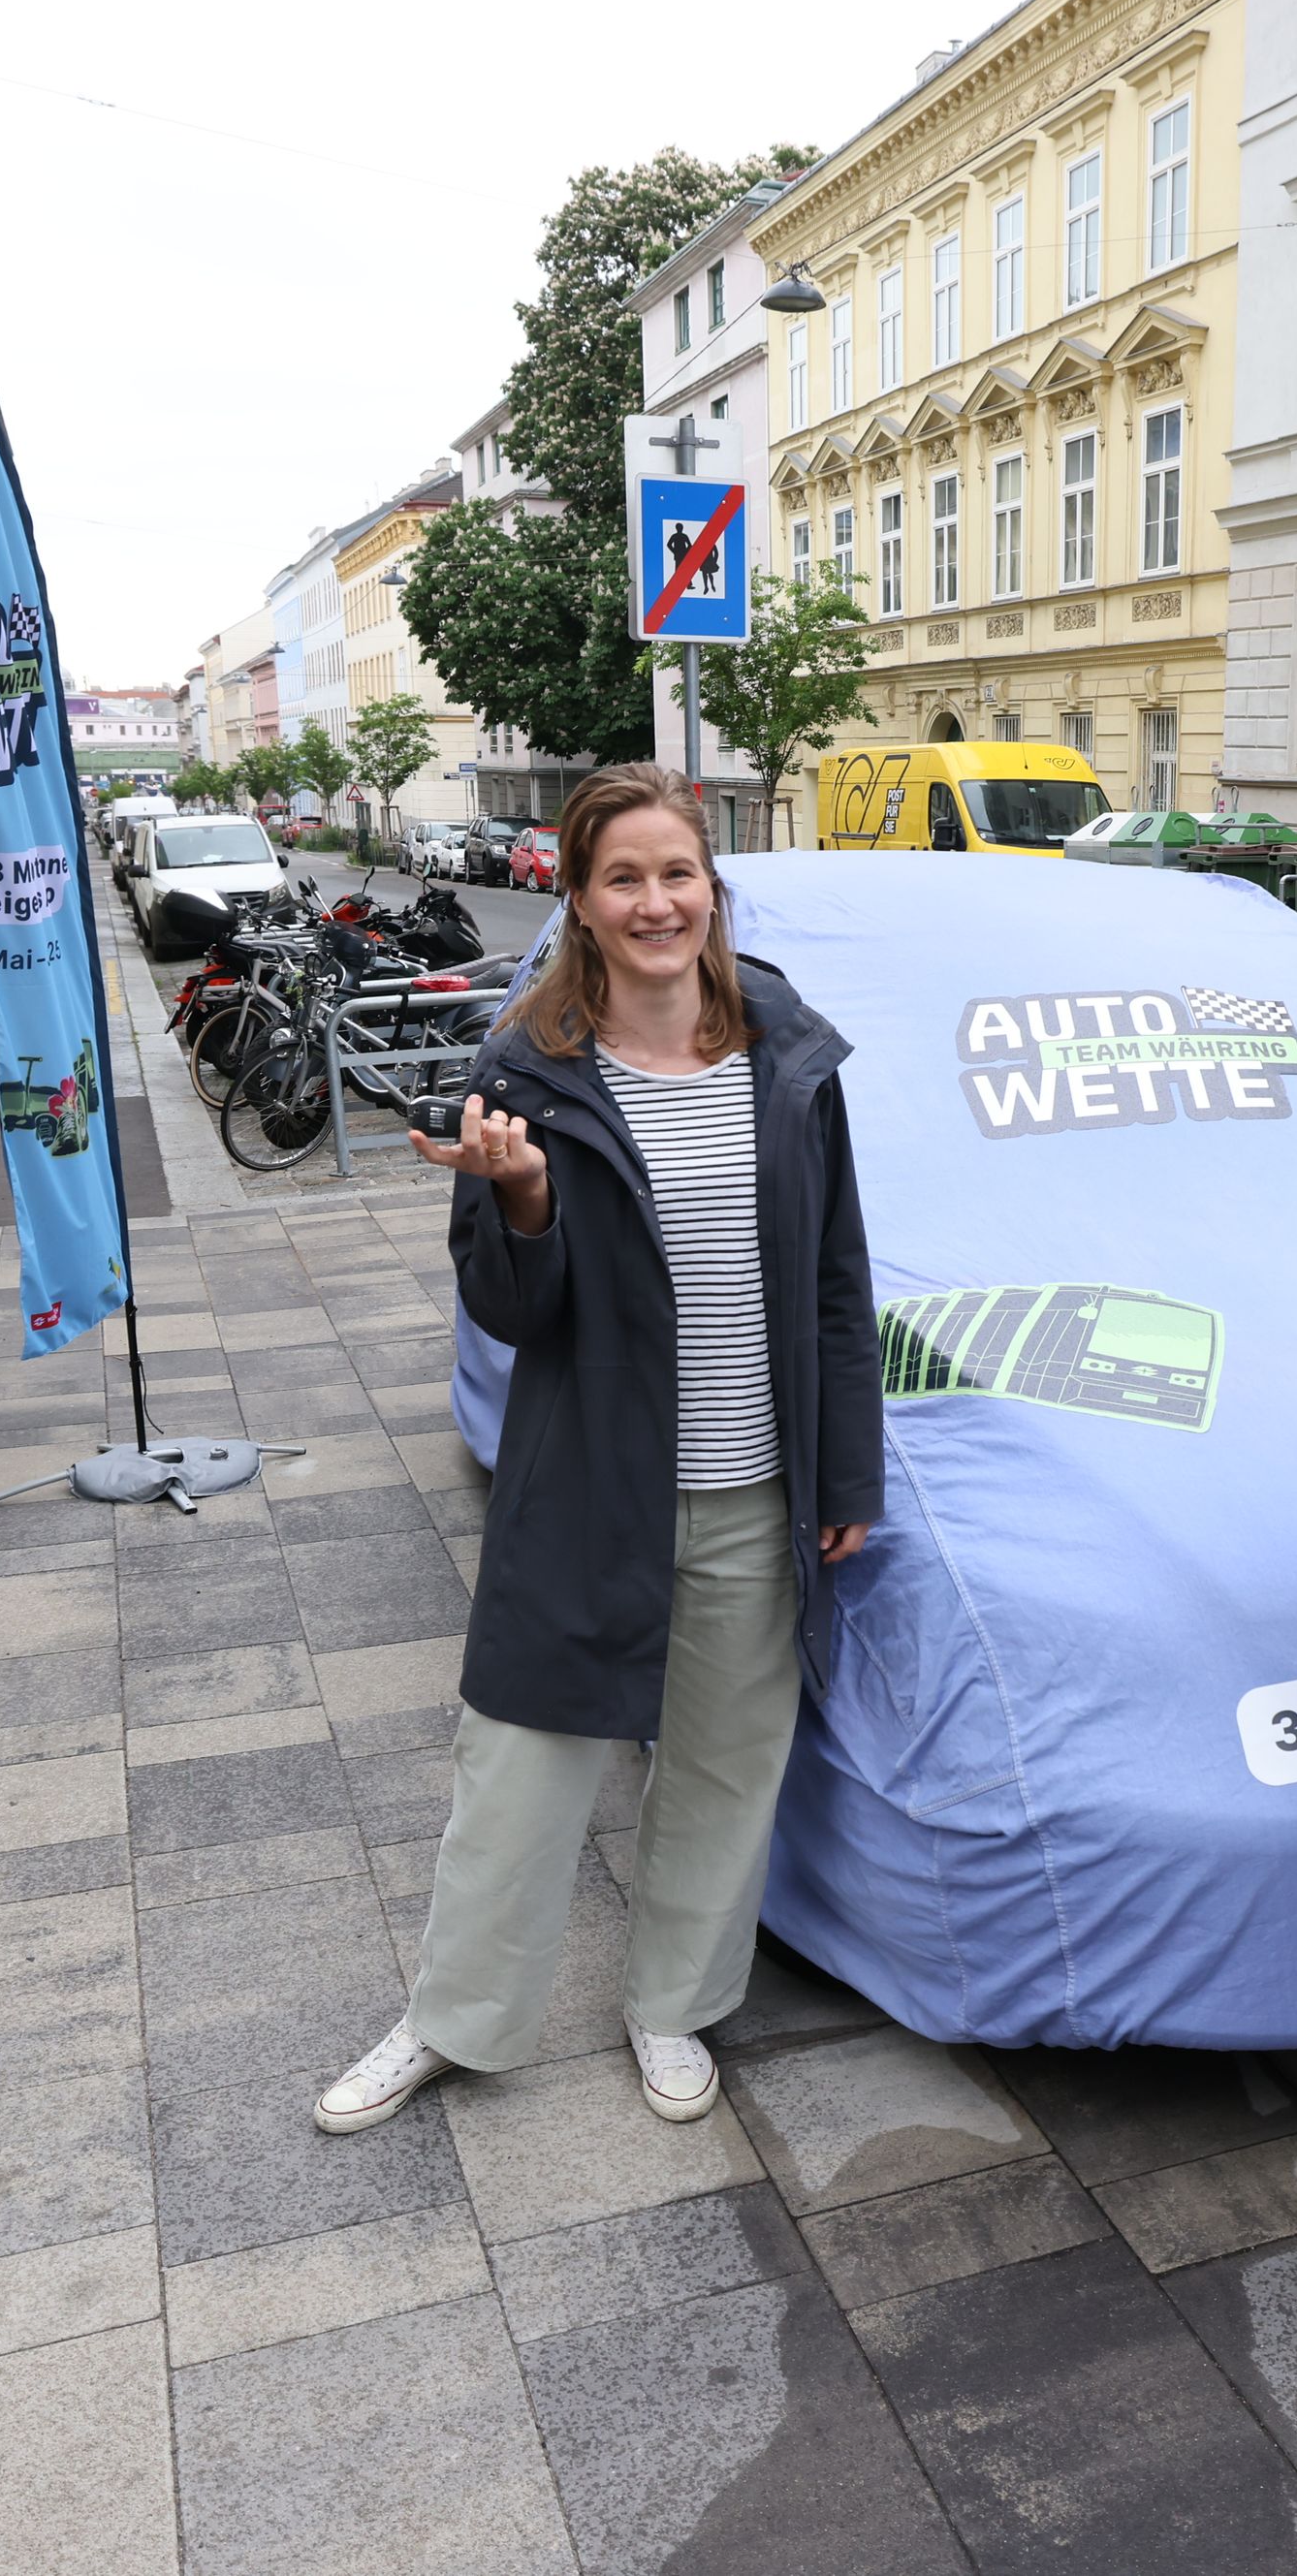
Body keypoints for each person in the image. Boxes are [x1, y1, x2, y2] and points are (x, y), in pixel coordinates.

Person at [314, 763, 880, 2135]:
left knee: (724, 1760)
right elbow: (512, 1312)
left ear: (712, 888)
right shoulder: (530, 1068)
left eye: (676, 873)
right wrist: (520, 1198)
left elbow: (835, 1281)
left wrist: (847, 1472)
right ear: (574, 898)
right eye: (621, 877)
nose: (654, 902)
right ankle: (455, 2017)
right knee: (518, 1758)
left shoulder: (788, 1054)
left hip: (757, 1479)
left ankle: (672, 2004)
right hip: (587, 1483)